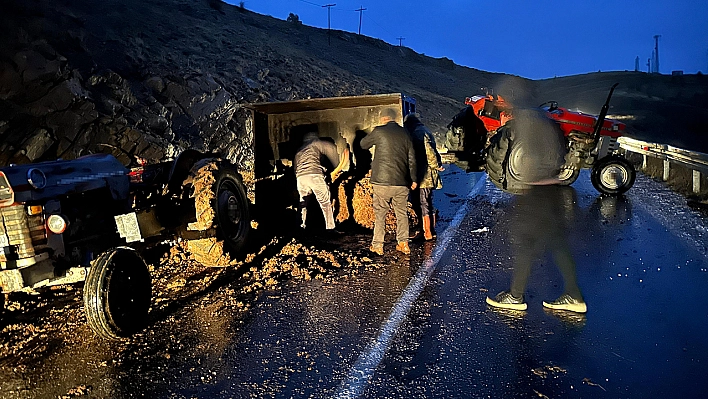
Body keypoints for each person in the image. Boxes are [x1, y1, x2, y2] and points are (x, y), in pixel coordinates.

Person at [484, 108, 587, 313]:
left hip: (536, 194)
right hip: (553, 193)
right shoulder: (554, 129)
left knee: (525, 244)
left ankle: (515, 297)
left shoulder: (528, 131)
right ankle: (574, 296)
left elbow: (508, 158)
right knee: (557, 245)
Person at [360, 108, 417, 255]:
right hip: (401, 181)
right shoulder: (405, 133)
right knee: (401, 213)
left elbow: (363, 145)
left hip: (381, 182)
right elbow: (412, 159)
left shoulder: (379, 131)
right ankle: (403, 244)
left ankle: (378, 245)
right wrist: (414, 179)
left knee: (380, 214)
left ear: (384, 118)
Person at [294, 128, 349, 233]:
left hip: (300, 178)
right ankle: (330, 228)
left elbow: (295, 168)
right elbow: (330, 148)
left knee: (303, 203)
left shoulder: (300, 150)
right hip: (314, 175)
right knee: (325, 203)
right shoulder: (315, 142)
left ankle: (301, 227)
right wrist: (338, 164)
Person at [403, 113, 443, 241]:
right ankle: (430, 230)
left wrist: (434, 165)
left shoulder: (418, 133)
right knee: (428, 202)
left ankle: (427, 232)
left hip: (424, 174)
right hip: (428, 174)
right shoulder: (424, 130)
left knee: (423, 202)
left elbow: (429, 152)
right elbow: (434, 150)